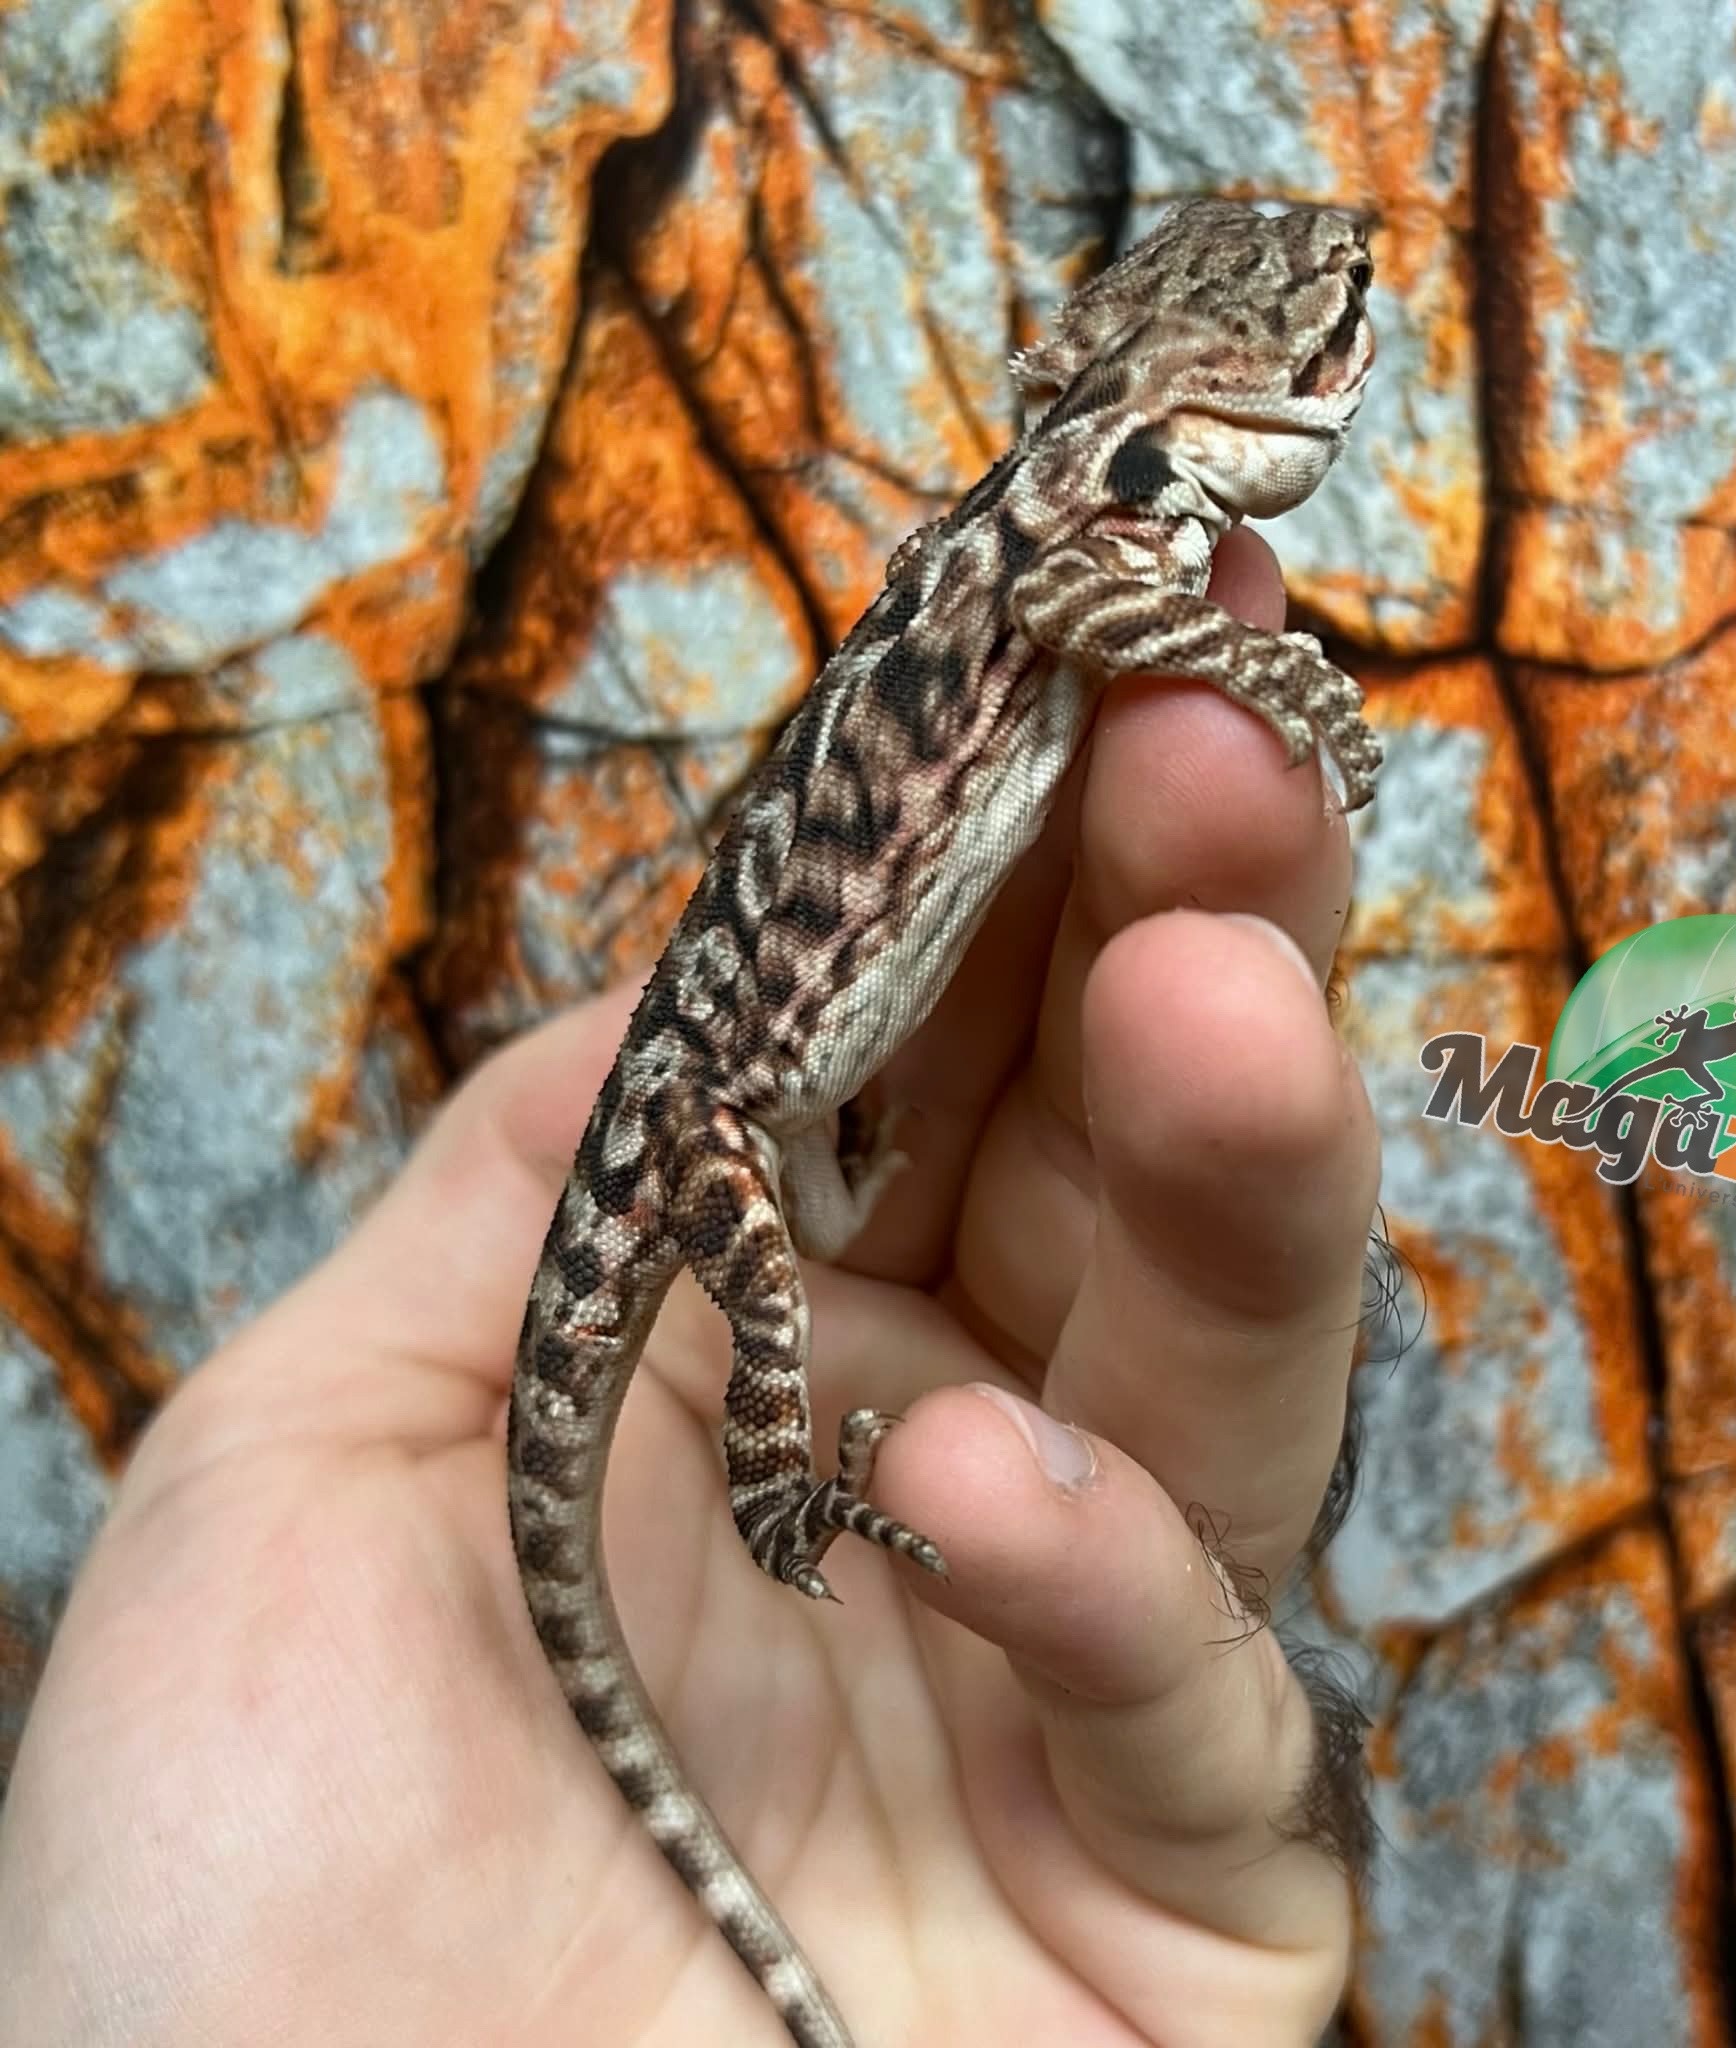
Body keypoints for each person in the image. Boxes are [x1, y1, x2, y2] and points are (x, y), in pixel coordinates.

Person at [0, 530, 1381, 2046]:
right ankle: (775, 1499)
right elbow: (1060, 600)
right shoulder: (1067, 533)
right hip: (706, 1107)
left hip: (771, 1093)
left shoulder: (1073, 523)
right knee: (776, 1304)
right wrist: (1252, 664)